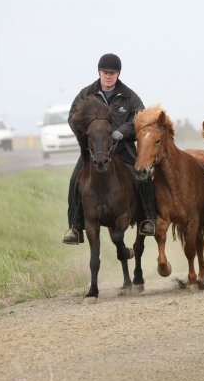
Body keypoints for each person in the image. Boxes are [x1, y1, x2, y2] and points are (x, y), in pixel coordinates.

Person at [62, 53, 157, 245]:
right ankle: (75, 226)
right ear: (99, 72)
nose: (109, 76)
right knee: (75, 180)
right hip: (94, 150)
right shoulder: (86, 94)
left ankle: (148, 219)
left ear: (118, 74)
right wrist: (87, 137)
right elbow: (73, 117)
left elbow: (141, 116)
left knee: (142, 175)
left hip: (122, 147)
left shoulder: (129, 95)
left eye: (113, 73)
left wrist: (122, 131)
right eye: (105, 72)